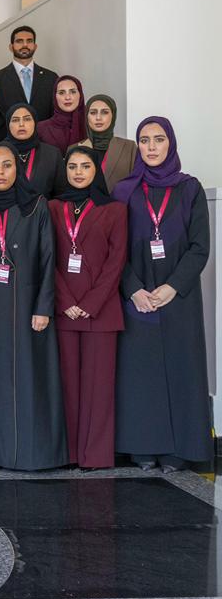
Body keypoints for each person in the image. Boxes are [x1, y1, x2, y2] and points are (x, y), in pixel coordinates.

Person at [0, 142, 67, 471]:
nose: (1, 172)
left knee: (27, 380)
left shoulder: (36, 206)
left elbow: (50, 259)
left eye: (7, 166)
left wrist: (44, 307)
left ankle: (31, 453)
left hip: (26, 307)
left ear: (18, 170)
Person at [113, 117, 212, 473]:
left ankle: (178, 450)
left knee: (180, 370)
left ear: (170, 143)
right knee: (141, 373)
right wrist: (133, 287)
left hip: (177, 296)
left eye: (158, 140)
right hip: (137, 295)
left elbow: (200, 247)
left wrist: (172, 286)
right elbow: (113, 249)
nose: (151, 147)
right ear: (137, 146)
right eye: (144, 140)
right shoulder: (124, 191)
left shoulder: (190, 189)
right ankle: (143, 447)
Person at [48, 146, 127, 470]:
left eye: (85, 166)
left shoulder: (115, 210)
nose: (78, 172)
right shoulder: (52, 208)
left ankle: (94, 456)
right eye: (73, 167)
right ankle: (69, 454)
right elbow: (46, 257)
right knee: (67, 386)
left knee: (99, 389)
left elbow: (117, 261)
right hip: (64, 310)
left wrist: (91, 303)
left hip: (102, 312)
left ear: (96, 170)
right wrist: (66, 302)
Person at [0, 25, 57, 120]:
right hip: (9, 134)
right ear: (11, 47)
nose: (25, 45)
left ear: (35, 46)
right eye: (19, 41)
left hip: (44, 134)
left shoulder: (51, 78)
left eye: (29, 41)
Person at [77, 94, 135, 191]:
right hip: (87, 205)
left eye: (104, 112)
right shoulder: (75, 148)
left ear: (113, 115)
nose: (98, 117)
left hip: (121, 204)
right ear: (86, 116)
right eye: (93, 112)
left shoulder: (130, 147)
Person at [5, 103, 62, 197]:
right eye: (15, 120)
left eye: (27, 119)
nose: (21, 124)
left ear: (35, 123)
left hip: (42, 210)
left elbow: (60, 194)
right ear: (8, 124)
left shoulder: (52, 154)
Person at [37, 75, 87, 154]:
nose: (67, 97)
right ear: (55, 97)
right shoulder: (41, 129)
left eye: (73, 92)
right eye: (61, 93)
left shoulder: (91, 124)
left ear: (80, 95)